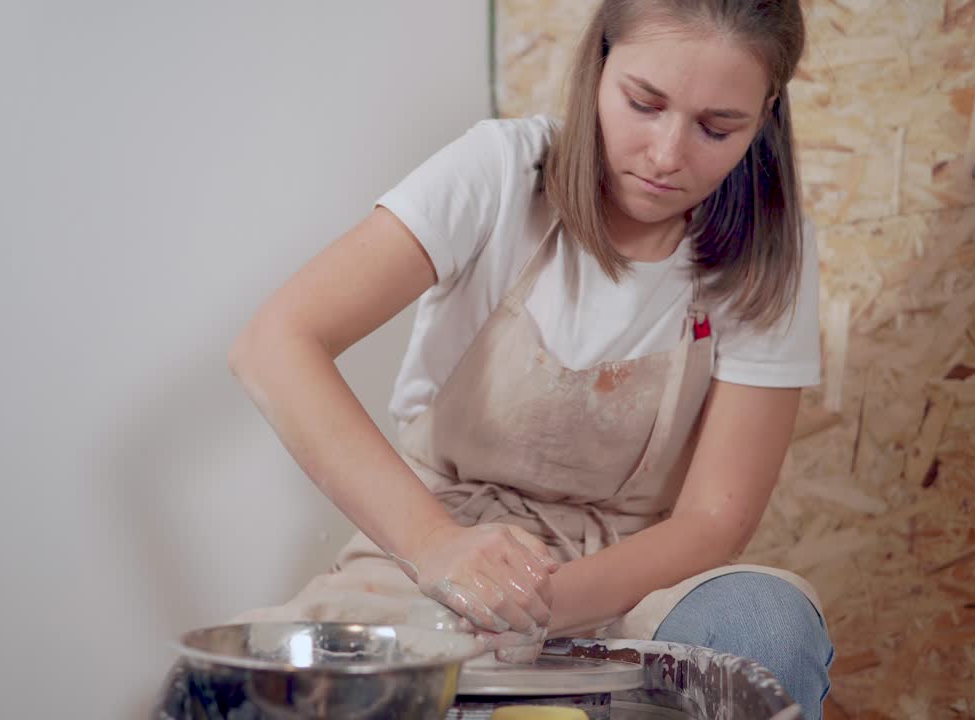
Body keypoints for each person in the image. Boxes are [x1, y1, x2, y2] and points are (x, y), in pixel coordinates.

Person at [226, 0, 834, 716]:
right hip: (435, 560)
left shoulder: (771, 251)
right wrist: (436, 546)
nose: (667, 155)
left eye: (717, 127)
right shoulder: (501, 171)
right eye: (644, 104)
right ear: (598, 65)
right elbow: (275, 344)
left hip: (639, 585)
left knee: (767, 625)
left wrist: (529, 608)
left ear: (765, 114)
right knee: (251, 689)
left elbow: (713, 519)